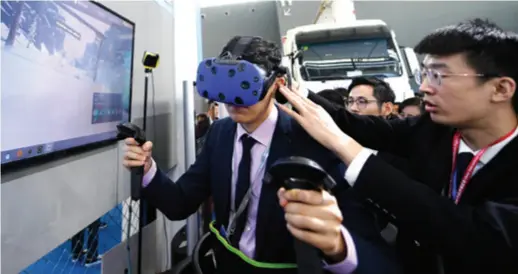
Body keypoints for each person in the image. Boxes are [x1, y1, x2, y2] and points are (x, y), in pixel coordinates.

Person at [123, 36, 400, 273]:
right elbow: (179, 203)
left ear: (276, 84)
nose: (233, 100)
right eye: (225, 84)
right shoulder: (220, 134)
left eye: (245, 85)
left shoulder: (312, 141)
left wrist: (338, 246)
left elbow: (369, 246)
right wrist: (148, 169)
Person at [277, 18, 518, 274]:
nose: (425, 88)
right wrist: (293, 91)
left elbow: (464, 231)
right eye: (424, 74)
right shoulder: (435, 131)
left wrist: (342, 144)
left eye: (439, 75)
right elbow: (364, 127)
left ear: (501, 89)